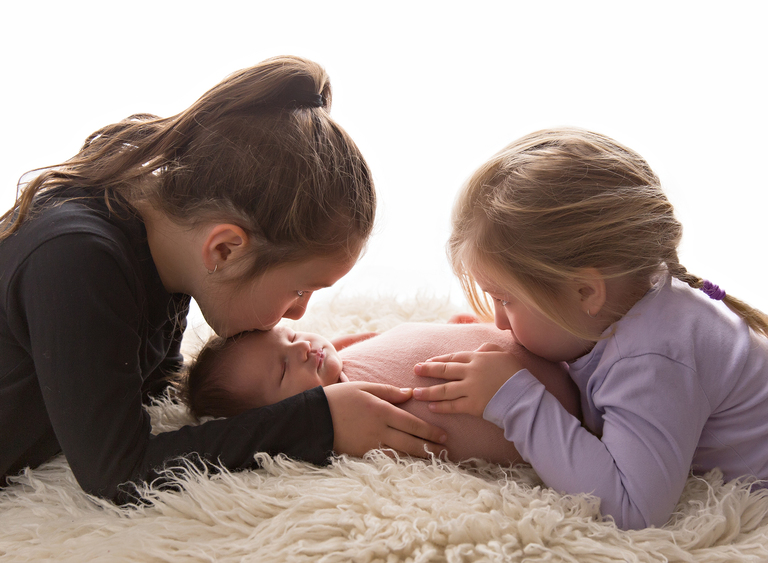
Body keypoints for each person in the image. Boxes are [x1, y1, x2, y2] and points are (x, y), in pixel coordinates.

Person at [0, 56, 447, 502]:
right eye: (299, 290)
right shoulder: (78, 262)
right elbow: (118, 472)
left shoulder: (169, 252)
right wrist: (319, 421)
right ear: (226, 249)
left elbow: (151, 382)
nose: (298, 313)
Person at [411, 127, 768, 530]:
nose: (497, 322)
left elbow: (633, 509)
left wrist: (515, 400)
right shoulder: (633, 307)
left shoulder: (651, 358)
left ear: (586, 292)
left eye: (505, 300)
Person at [180, 321, 581, 465]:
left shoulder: (337, 352)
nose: (301, 348)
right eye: (283, 368)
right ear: (285, 415)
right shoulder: (351, 429)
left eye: (291, 335)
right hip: (563, 420)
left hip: (558, 345)